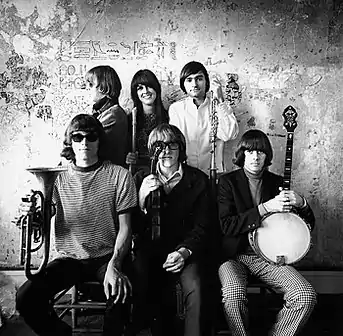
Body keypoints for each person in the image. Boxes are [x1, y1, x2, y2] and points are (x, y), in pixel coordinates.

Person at [16, 114, 137, 336]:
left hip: (106, 257)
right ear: (70, 142)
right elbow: (43, 222)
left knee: (120, 297)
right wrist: (30, 216)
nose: (84, 143)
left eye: (91, 137)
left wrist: (115, 264)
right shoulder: (56, 177)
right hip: (69, 259)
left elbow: (126, 228)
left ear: (99, 141)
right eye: (77, 137)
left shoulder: (119, 176)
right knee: (25, 298)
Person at [217, 129, 317, 336]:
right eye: (250, 151)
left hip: (269, 258)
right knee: (233, 294)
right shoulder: (227, 183)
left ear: (267, 156)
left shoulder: (278, 183)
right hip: (233, 256)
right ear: (242, 154)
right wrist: (266, 208)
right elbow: (226, 225)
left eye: (260, 152)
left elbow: (305, 226)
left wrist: (302, 203)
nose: (255, 156)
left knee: (305, 295)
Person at [132, 123, 212, 336]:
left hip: (185, 251)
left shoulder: (199, 180)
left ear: (181, 149)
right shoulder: (140, 179)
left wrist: (183, 252)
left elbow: (204, 226)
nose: (166, 151)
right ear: (152, 151)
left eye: (172, 145)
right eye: (159, 146)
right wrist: (141, 199)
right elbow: (132, 227)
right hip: (151, 250)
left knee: (195, 286)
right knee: (143, 280)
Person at [169, 61, 238, 175]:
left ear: (206, 82)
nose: (195, 84)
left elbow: (228, 134)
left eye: (199, 79)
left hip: (213, 173)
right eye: (189, 80)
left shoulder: (218, 106)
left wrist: (220, 99)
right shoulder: (176, 109)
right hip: (185, 174)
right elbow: (176, 143)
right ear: (183, 84)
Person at [126, 69, 169, 173]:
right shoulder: (129, 120)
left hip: (163, 172)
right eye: (140, 88)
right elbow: (123, 151)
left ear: (156, 89)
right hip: (138, 174)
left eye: (149, 86)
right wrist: (128, 157)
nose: (145, 91)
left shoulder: (169, 117)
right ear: (135, 93)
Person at [85, 65, 128, 167]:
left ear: (104, 87)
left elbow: (91, 145)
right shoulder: (102, 112)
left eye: (91, 84)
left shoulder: (113, 115)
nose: (87, 88)